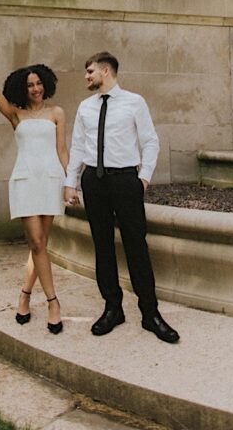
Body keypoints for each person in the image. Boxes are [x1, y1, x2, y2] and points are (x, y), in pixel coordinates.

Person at [64, 51, 179, 343]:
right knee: (102, 246)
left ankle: (150, 313)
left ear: (105, 71)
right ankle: (113, 308)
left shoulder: (134, 102)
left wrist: (143, 178)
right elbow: (77, 145)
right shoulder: (85, 107)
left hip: (126, 180)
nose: (86, 77)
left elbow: (150, 140)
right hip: (94, 181)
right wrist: (71, 182)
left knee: (136, 245)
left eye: (90, 71)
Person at [0, 56, 67, 334]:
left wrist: (70, 183)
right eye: (30, 85)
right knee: (36, 241)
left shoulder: (57, 112)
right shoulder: (15, 114)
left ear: (46, 85)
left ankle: (24, 294)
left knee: (40, 244)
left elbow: (62, 150)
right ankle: (53, 302)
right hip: (25, 180)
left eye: (39, 83)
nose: (36, 89)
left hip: (50, 180)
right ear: (23, 88)